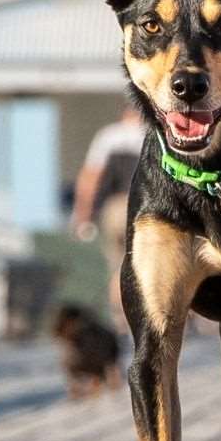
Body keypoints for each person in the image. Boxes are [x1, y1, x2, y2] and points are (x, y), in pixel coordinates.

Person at [71, 105, 145, 329]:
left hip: (113, 207)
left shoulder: (108, 136)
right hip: (143, 207)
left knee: (117, 264)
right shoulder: (152, 132)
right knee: (143, 263)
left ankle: (120, 318)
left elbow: (90, 178)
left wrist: (82, 215)